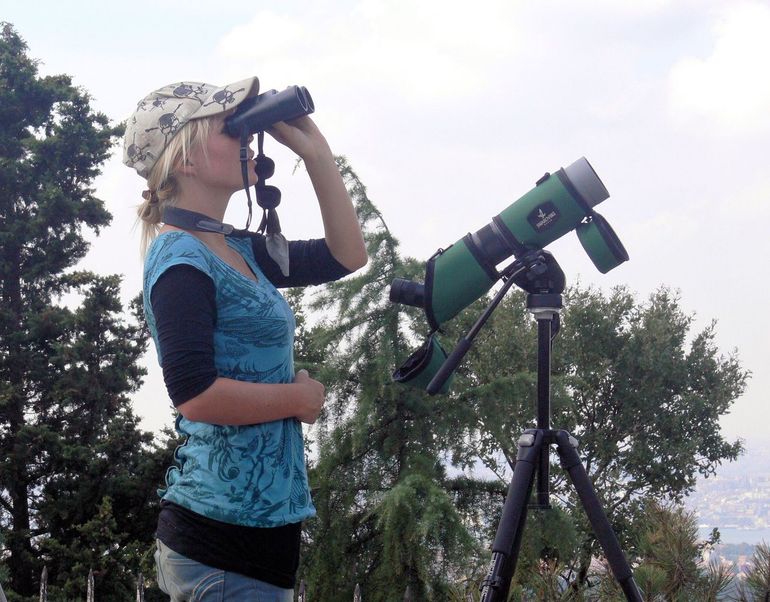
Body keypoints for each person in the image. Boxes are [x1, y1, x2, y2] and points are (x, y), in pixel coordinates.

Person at [123, 77, 367, 601]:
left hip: (254, 540)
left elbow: (346, 255)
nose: (248, 137)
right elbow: (195, 394)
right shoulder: (180, 258)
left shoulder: (238, 249)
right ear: (185, 159)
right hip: (220, 542)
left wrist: (317, 153)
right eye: (230, 126)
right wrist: (297, 399)